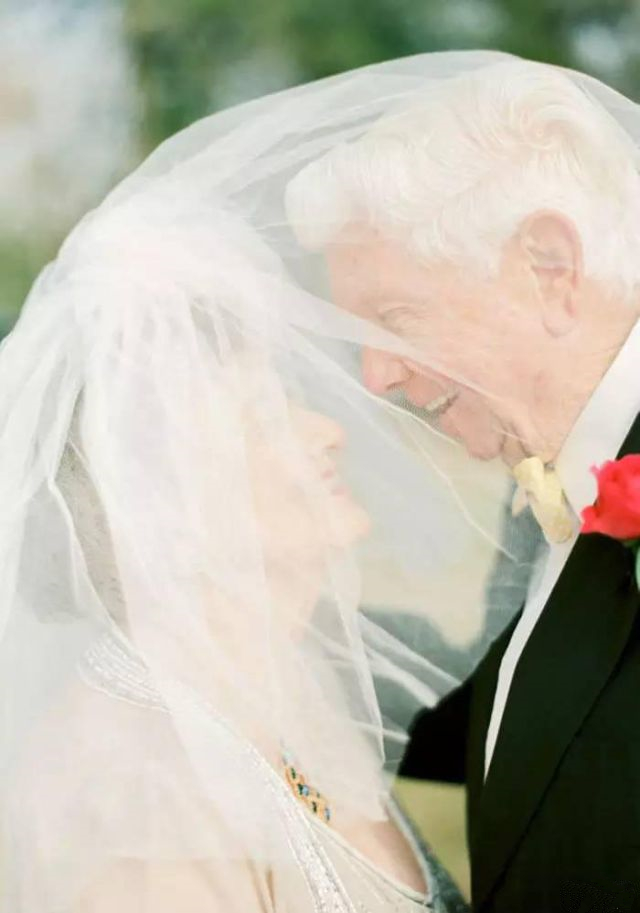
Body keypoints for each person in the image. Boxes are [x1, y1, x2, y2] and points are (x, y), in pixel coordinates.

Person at [0, 102, 489, 911]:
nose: (328, 431)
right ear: (164, 502)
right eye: (264, 419)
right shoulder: (137, 811)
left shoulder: (292, 685)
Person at [286, 55, 640, 912]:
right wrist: (255, 645)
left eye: (396, 319)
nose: (375, 375)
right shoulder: (549, 498)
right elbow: (550, 723)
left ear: (551, 268)